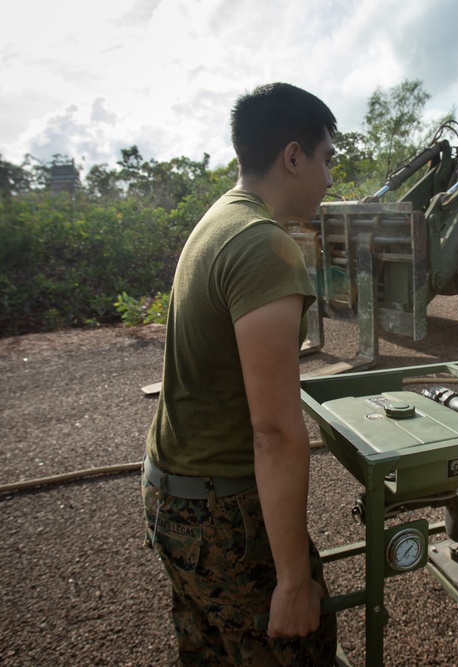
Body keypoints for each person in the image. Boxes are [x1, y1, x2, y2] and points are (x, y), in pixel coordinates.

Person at [142, 82, 338, 665]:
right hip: (221, 514)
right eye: (327, 160)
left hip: (173, 494)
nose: (330, 178)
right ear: (293, 156)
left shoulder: (218, 220)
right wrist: (293, 582)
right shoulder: (262, 246)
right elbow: (275, 433)